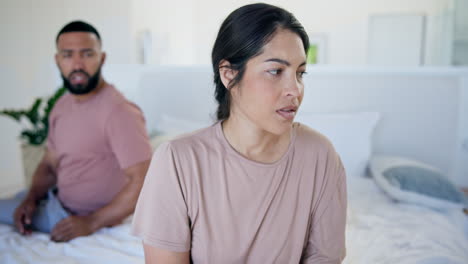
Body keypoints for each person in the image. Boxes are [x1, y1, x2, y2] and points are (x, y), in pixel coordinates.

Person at [132, 3, 347, 263]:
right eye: (276, 71)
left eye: (300, 73)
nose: (295, 90)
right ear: (229, 74)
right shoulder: (177, 161)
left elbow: (325, 257)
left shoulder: (320, 155)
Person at [0, 21, 153, 242]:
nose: (77, 64)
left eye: (87, 54)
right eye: (68, 55)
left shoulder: (119, 112)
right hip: (54, 199)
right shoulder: (61, 106)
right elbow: (49, 165)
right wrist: (32, 197)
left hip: (75, 216)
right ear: (57, 60)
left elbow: (143, 180)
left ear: (102, 58)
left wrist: (92, 222)